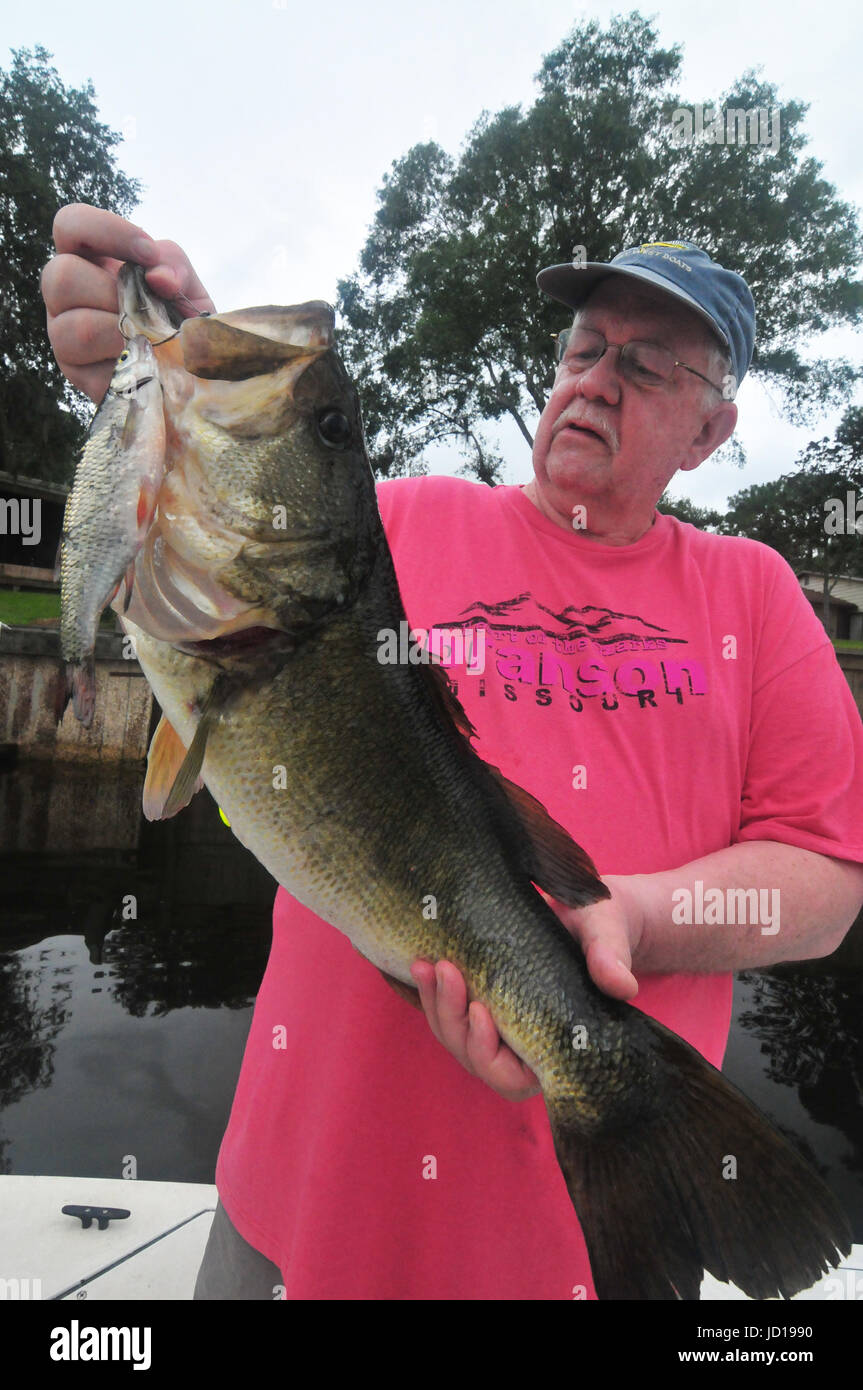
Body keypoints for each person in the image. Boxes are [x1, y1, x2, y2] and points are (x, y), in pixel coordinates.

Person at [43, 213, 863, 1299]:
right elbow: (215, 517)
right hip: (293, 1214)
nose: (597, 380)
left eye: (647, 365)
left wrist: (634, 918)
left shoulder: (753, 597)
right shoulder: (392, 525)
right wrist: (171, 364)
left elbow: (823, 880)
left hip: (568, 1256)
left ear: (709, 433)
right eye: (582, 350)